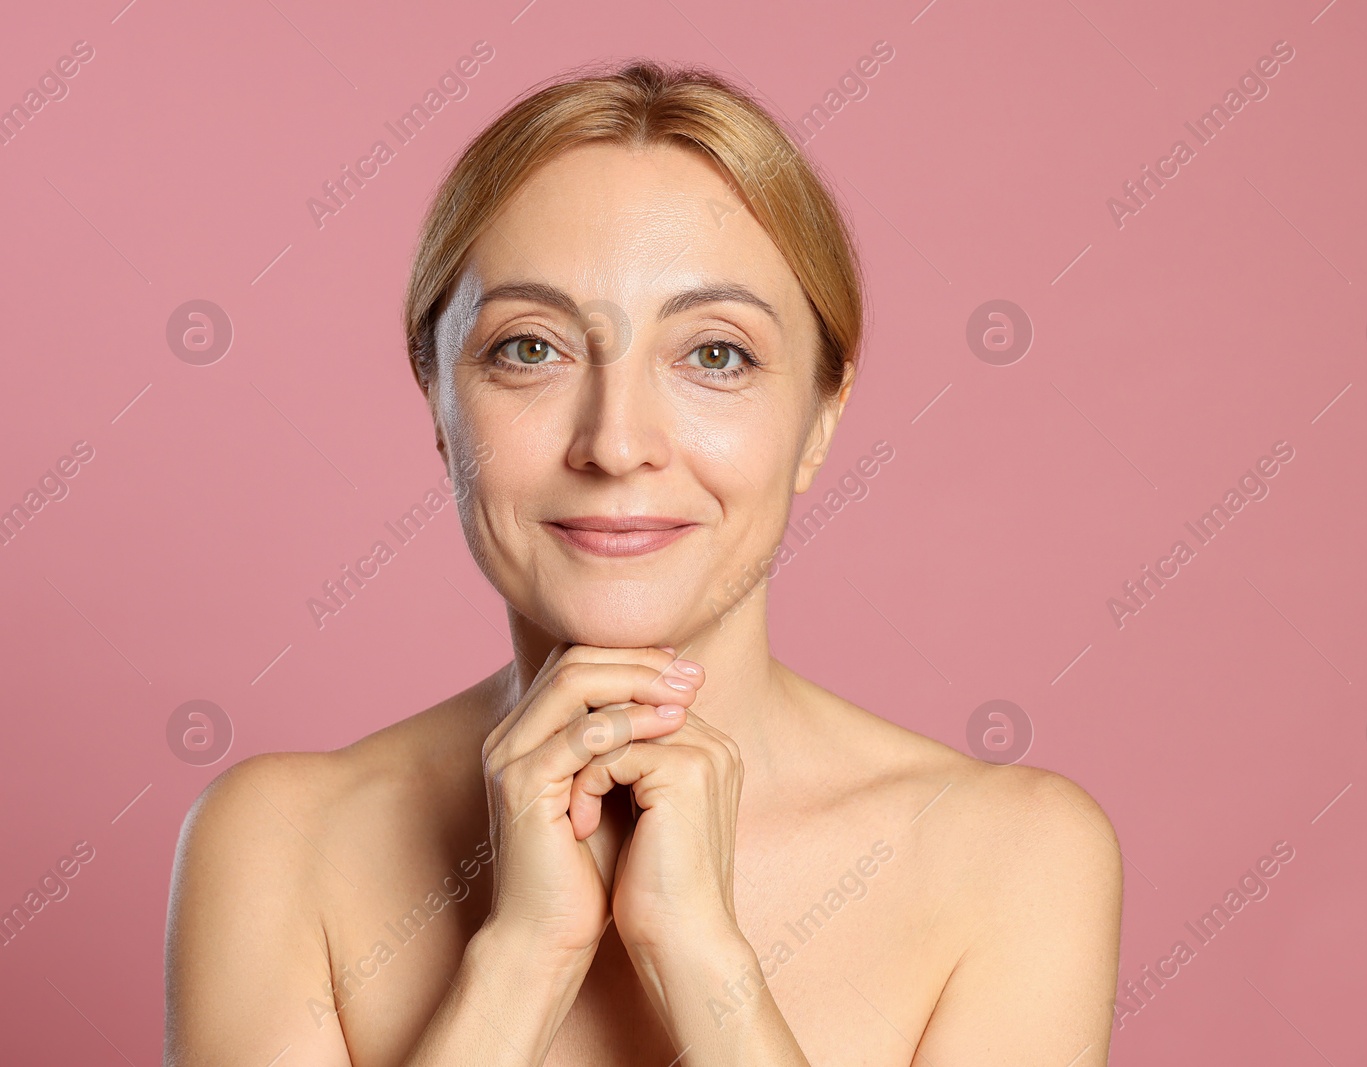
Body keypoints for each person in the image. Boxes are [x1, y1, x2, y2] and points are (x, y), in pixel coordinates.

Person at [164, 59, 1122, 1066]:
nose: (617, 443)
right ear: (439, 404)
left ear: (820, 417)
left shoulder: (1013, 858)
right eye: (529, 349)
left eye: (715, 354)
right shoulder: (277, 844)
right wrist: (521, 959)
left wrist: (702, 961)